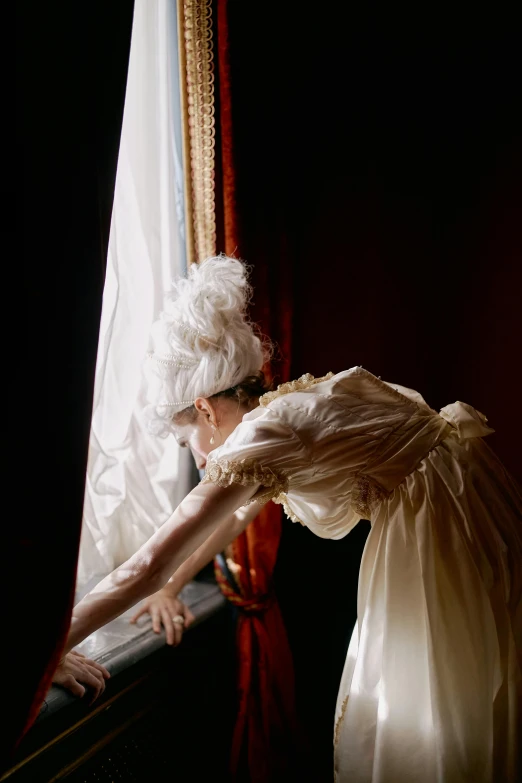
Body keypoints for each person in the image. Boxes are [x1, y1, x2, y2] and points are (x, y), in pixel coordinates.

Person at [52, 256, 521, 782]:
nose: (199, 459)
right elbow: (233, 523)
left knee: (421, 710)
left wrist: (47, 658)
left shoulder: (259, 436)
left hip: (440, 532)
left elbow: (144, 565)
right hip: (466, 504)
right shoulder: (278, 410)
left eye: (189, 442)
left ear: (206, 408)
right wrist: (174, 586)